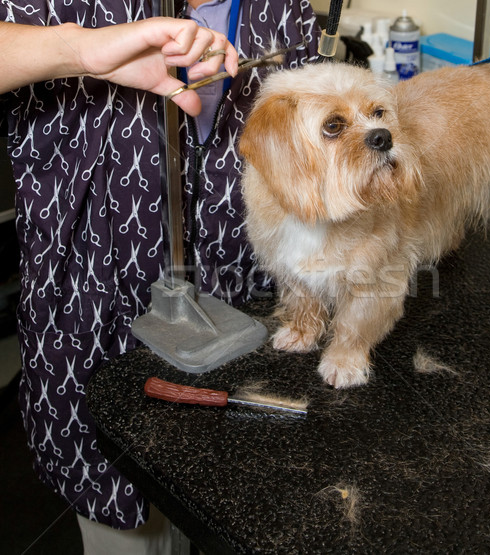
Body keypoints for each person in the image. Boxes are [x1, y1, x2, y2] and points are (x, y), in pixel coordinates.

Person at [0, 0, 320, 551]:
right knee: (131, 532)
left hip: (247, 327)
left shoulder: (285, 13)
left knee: (234, 516)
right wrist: (76, 49)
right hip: (94, 330)